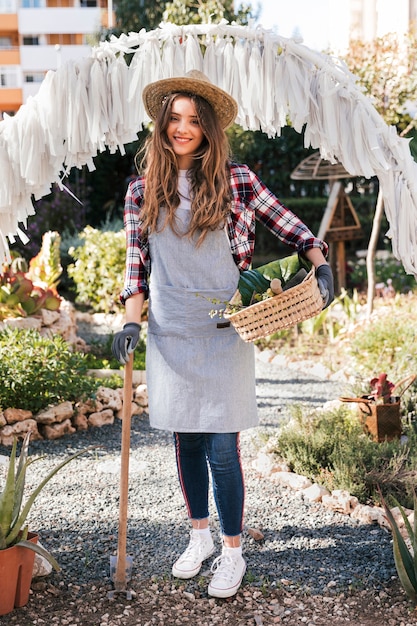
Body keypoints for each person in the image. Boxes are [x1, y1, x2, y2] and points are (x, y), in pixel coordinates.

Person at [111, 70, 334, 599]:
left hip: (224, 327)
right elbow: (135, 269)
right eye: (174, 120)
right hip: (171, 329)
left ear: (208, 129)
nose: (182, 129)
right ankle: (199, 537)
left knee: (222, 446)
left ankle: (232, 551)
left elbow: (289, 226)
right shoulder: (142, 190)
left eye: (193, 121)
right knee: (184, 438)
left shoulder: (236, 180)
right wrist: (129, 321)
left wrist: (319, 263)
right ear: (162, 127)